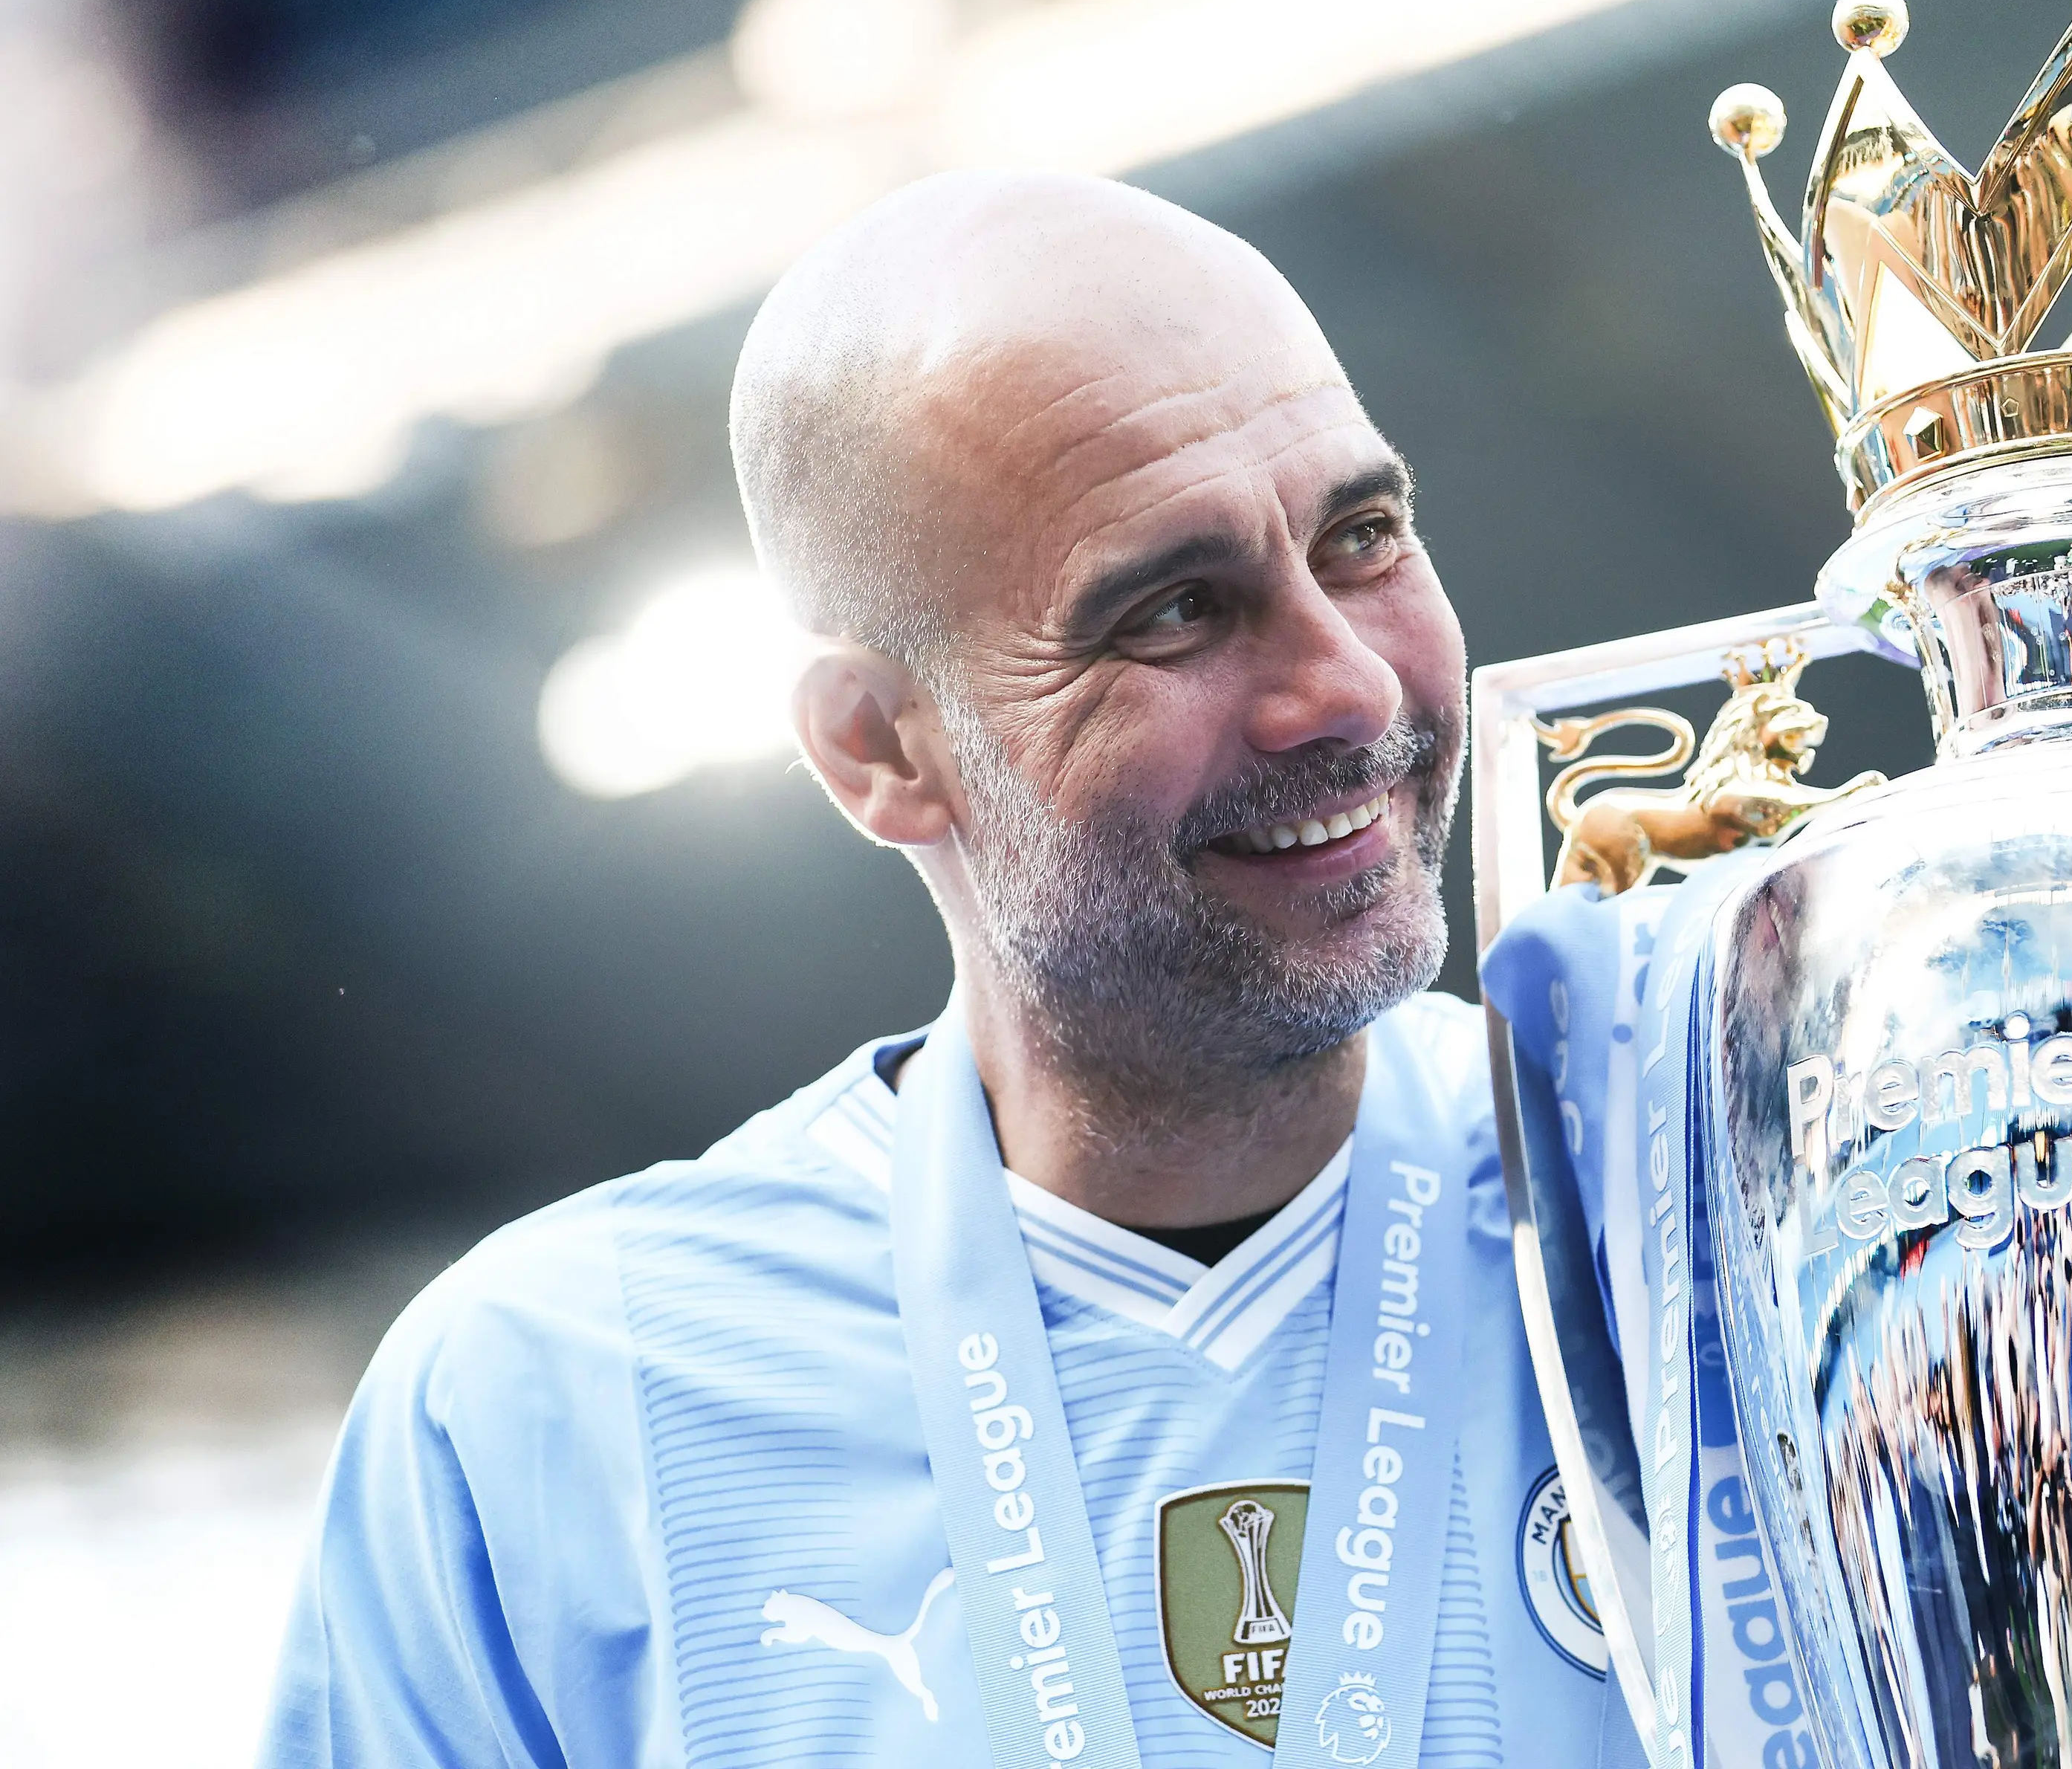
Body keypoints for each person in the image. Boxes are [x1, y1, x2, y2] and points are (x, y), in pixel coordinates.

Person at [259, 173, 1622, 1768]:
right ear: (878, 747)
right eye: (1177, 612)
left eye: (1364, 535)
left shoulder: (1684, 1213)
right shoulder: (541, 1404)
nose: (1340, 685)